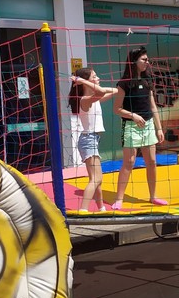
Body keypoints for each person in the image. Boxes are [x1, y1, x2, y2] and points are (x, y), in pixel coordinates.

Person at [108, 47, 166, 209]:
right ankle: (119, 198)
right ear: (134, 61)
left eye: (148, 59)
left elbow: (153, 106)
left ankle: (153, 196)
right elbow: (117, 108)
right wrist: (133, 115)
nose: (147, 62)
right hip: (131, 126)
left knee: (152, 161)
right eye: (144, 59)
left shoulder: (148, 81)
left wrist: (159, 128)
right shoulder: (124, 83)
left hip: (148, 125)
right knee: (129, 162)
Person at [67, 68, 118, 212]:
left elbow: (115, 90)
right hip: (88, 140)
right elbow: (101, 92)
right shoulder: (85, 100)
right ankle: (83, 209)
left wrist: (84, 81)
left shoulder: (94, 99)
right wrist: (83, 81)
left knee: (96, 179)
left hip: (91, 140)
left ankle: (101, 208)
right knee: (96, 179)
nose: (98, 78)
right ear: (86, 81)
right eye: (94, 77)